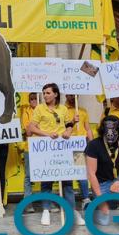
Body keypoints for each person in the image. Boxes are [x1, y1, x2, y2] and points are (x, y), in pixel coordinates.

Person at [26, 83, 83, 226]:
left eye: (48, 93)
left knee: (68, 183)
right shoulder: (39, 108)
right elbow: (31, 127)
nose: (45, 95)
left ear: (56, 94)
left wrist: (69, 131)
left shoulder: (63, 109)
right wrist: (46, 134)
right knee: (46, 183)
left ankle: (72, 212)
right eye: (44, 93)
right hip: (47, 149)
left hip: (63, 148)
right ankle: (46, 211)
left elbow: (68, 124)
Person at [64, 94, 92, 208]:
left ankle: (85, 199)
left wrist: (92, 143)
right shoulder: (62, 110)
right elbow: (62, 127)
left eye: (75, 95)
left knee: (81, 172)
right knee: (68, 175)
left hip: (80, 146)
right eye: (71, 95)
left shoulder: (83, 111)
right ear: (66, 95)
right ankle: (69, 202)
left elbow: (88, 128)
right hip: (67, 145)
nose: (73, 97)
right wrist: (72, 121)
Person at [20, 92, 38, 213]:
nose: (33, 101)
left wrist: (34, 127)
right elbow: (28, 132)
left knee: (46, 176)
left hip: (44, 148)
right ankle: (28, 203)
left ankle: (47, 202)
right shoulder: (26, 112)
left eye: (35, 98)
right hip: (29, 147)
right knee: (28, 176)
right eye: (31, 99)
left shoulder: (45, 110)